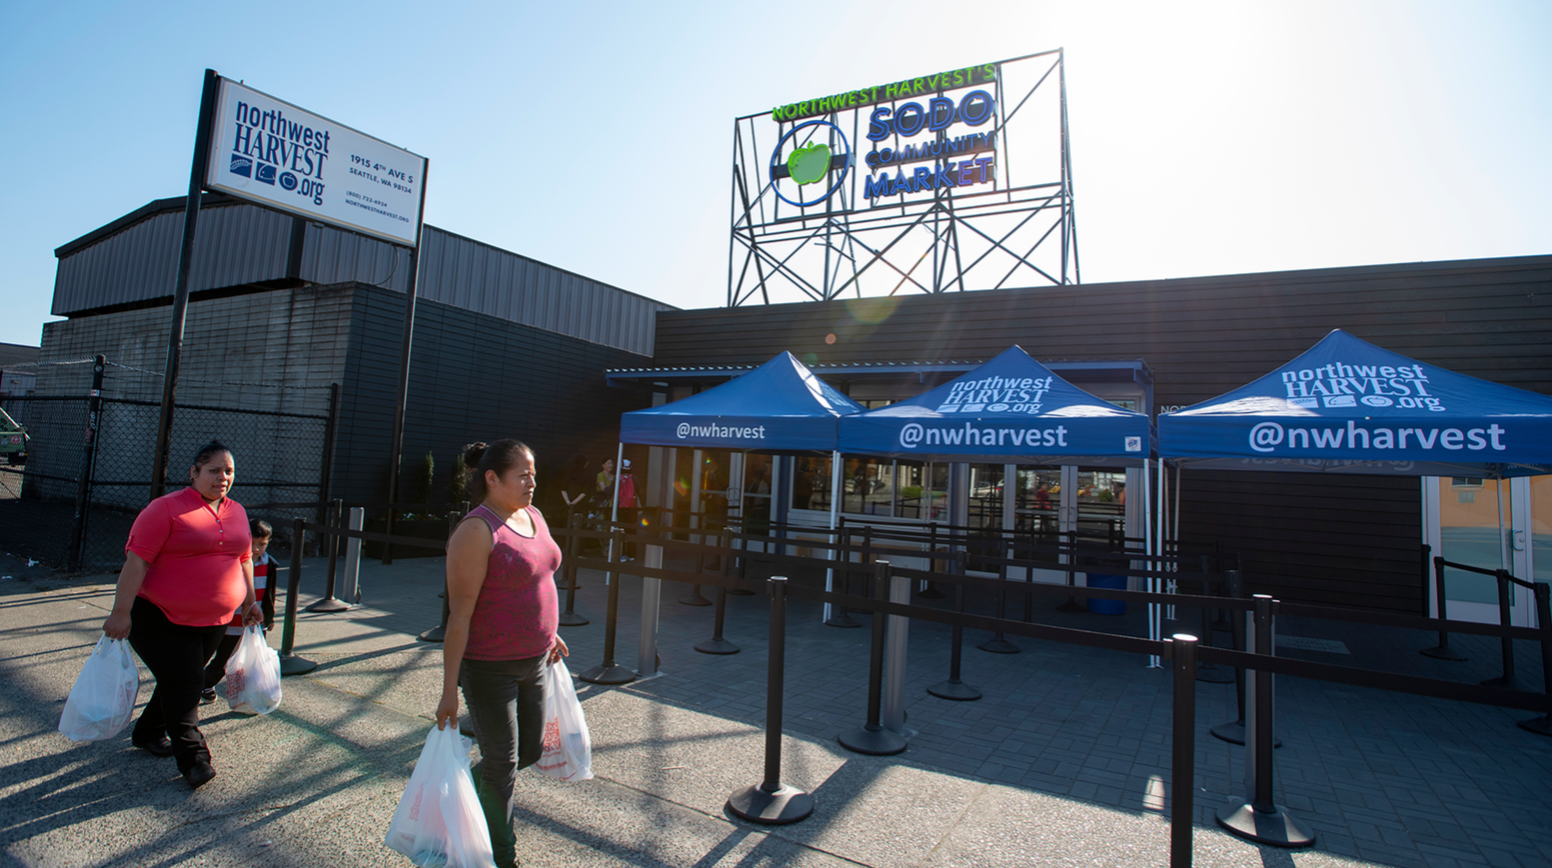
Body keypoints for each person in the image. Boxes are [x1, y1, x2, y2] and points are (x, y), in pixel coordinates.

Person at [436, 440, 568, 868]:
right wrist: (448, 691)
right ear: (492, 479)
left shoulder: (534, 515)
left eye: (533, 473)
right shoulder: (476, 530)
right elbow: (460, 615)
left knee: (528, 752)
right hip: (489, 667)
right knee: (502, 764)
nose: (533, 482)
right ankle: (502, 856)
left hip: (537, 659)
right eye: (523, 475)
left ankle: (461, 796)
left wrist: (553, 632)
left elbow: (540, 578)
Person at [101, 440, 259, 790]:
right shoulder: (165, 509)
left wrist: (250, 602)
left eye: (229, 471)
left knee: (179, 679)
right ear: (194, 472)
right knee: (188, 682)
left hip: (214, 621)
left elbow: (244, 558)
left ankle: (148, 732)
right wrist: (120, 613)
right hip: (159, 617)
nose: (223, 477)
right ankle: (194, 758)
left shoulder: (237, 511)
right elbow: (137, 562)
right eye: (214, 470)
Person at [200, 519, 276, 706]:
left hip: (256, 622)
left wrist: (269, 617)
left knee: (254, 659)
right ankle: (202, 684)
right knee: (223, 660)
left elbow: (269, 593)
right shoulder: (234, 562)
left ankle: (247, 692)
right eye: (253, 543)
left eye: (262, 544)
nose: (257, 549)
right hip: (230, 622)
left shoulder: (270, 564)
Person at [617, 458, 639, 560]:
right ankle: (632, 554)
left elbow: (609, 492)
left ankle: (621, 554)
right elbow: (640, 493)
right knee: (632, 531)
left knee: (621, 531)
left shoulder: (618, 478)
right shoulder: (634, 478)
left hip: (621, 508)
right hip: (633, 509)